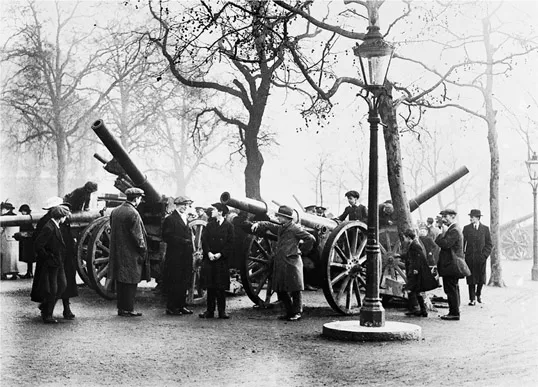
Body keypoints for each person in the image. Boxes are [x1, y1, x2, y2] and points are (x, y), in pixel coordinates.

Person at [251, 205, 315, 321]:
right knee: (281, 288)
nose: (278, 218)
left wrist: (300, 251)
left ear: (286, 218)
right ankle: (289, 312)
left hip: (292, 262)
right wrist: (258, 223)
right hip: (281, 262)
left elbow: (310, 238)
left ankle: (297, 312)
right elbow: (270, 225)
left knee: (296, 289)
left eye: (280, 216)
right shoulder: (282, 228)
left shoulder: (295, 228)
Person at [109, 188, 150, 317]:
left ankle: (121, 308)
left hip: (118, 252)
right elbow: (138, 237)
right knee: (131, 281)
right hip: (132, 253)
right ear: (136, 199)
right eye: (139, 198)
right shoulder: (133, 213)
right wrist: (143, 250)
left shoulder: (115, 211)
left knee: (121, 281)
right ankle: (129, 309)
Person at [33, 205, 70, 323]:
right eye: (65, 217)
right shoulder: (49, 227)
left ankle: (46, 307)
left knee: (62, 286)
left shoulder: (54, 226)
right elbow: (38, 245)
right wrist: (49, 257)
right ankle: (48, 315)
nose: (65, 219)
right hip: (52, 263)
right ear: (61, 217)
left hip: (58, 262)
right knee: (53, 289)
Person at [199, 203, 234, 319]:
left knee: (221, 287)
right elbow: (204, 240)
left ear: (220, 212)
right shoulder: (209, 225)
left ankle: (222, 311)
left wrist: (220, 254)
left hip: (221, 260)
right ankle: (210, 311)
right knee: (210, 286)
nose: (212, 211)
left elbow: (230, 243)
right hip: (210, 259)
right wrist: (208, 253)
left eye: (214, 210)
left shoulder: (229, 226)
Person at [162, 195, 194, 316]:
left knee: (184, 281)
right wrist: (182, 241)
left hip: (186, 255)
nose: (185, 207)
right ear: (176, 206)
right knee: (174, 281)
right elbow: (166, 236)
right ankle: (171, 307)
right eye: (182, 205)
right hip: (175, 256)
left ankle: (181, 305)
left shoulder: (186, 218)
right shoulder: (170, 219)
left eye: (186, 205)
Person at [400, 228, 438, 317]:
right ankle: (422, 310)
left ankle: (416, 309)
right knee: (416, 290)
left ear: (408, 237)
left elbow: (418, 259)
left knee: (411, 289)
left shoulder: (415, 245)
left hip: (415, 271)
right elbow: (410, 255)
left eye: (405, 238)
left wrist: (415, 270)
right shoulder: (414, 244)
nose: (404, 240)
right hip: (415, 270)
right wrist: (400, 256)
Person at [435, 208, 464, 321]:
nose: (443, 219)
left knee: (450, 289)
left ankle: (454, 313)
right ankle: (455, 310)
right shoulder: (453, 229)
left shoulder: (454, 230)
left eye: (445, 217)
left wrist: (440, 233)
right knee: (453, 288)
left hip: (451, 264)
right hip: (451, 264)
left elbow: (445, 244)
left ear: (453, 217)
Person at [462, 209, 492, 305]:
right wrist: (463, 254)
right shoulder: (466, 228)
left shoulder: (485, 229)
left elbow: (489, 244)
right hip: (470, 258)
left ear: (478, 218)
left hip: (481, 258)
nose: (470, 218)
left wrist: (484, 256)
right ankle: (472, 299)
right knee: (470, 278)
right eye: (470, 216)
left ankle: (478, 294)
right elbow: (462, 243)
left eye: (473, 217)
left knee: (481, 279)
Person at [1, 201, 20, 280]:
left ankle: (4, 273)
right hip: (15, 238)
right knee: (14, 256)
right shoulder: (16, 217)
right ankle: (14, 273)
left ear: (6, 209)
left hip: (6, 238)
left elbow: (2, 229)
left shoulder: (4, 217)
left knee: (5, 257)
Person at [18, 204, 36, 278]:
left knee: (28, 257)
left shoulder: (25, 219)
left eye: (23, 211)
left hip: (27, 240)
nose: (22, 213)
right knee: (29, 258)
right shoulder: (30, 218)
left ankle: (29, 272)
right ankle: (29, 272)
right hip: (29, 240)